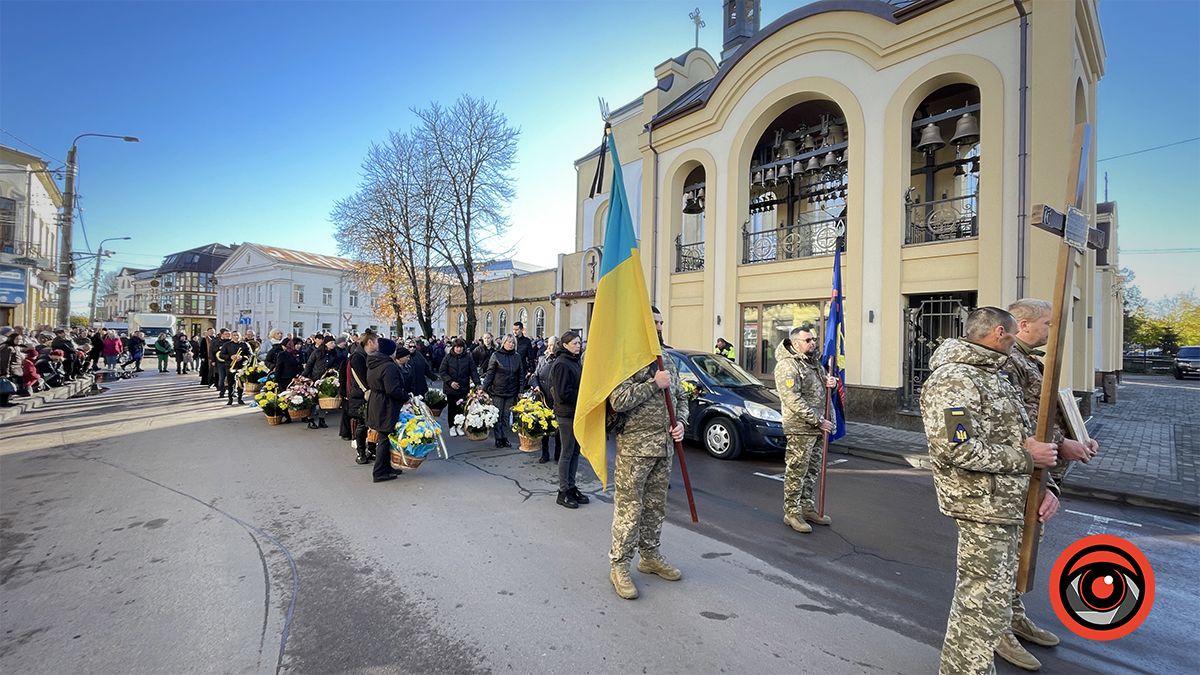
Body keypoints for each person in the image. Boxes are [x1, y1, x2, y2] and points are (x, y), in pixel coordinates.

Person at [920, 306, 1059, 675]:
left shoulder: (994, 375)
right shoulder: (955, 380)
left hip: (1006, 503)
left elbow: (1022, 435)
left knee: (994, 602)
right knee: (979, 602)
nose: (1016, 343)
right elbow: (960, 447)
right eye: (1014, 336)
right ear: (999, 333)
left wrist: (1045, 484)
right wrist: (1027, 459)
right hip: (981, 505)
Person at [607, 307, 689, 600]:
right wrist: (653, 383)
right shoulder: (628, 359)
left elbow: (681, 397)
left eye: (661, 322)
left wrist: (681, 423)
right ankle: (619, 565)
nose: (659, 325)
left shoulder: (667, 358)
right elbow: (618, 399)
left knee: (655, 507)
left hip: (664, 447)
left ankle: (650, 556)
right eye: (653, 322)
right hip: (635, 449)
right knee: (630, 509)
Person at [774, 325, 838, 534]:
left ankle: (806, 506)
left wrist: (832, 383)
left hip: (818, 426)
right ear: (795, 344)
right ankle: (791, 511)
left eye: (813, 339)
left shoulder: (814, 363)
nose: (813, 343)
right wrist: (818, 420)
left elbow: (820, 389)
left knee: (812, 470)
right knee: (797, 470)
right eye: (808, 340)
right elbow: (792, 398)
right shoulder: (788, 366)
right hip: (801, 427)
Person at [366, 339, 411, 483]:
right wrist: (405, 397)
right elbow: (392, 389)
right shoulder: (388, 366)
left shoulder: (374, 363)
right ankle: (379, 472)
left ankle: (387, 467)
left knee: (385, 437)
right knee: (384, 439)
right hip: (385, 405)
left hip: (377, 402)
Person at [549, 332, 584, 508]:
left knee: (575, 451)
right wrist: (584, 397)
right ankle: (563, 491)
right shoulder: (562, 363)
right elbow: (563, 393)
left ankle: (571, 487)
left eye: (579, 343)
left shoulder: (574, 361)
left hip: (576, 412)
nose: (578, 346)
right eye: (574, 343)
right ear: (565, 345)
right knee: (567, 452)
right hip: (566, 414)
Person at [483, 334, 525, 448]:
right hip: (497, 391)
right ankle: (498, 438)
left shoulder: (517, 357)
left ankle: (505, 437)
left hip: (511, 392)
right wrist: (483, 389)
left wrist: (521, 390)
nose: (511, 344)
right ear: (504, 342)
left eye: (513, 343)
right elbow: (490, 374)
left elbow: (521, 375)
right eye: (509, 342)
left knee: (506, 416)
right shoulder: (496, 355)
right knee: (498, 416)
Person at [346, 330, 377, 464]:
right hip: (361, 395)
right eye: (376, 342)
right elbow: (361, 377)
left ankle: (371, 450)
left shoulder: (367, 354)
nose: (377, 345)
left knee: (371, 424)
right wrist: (368, 390)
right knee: (362, 424)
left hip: (369, 394)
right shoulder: (358, 356)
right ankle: (361, 452)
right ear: (369, 342)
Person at [438, 338, 479, 437]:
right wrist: (450, 382)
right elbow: (442, 371)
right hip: (451, 388)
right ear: (453, 347)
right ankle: (452, 426)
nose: (459, 349)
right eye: (457, 347)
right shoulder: (448, 358)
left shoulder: (468, 357)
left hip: (463, 387)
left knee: (461, 408)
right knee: (452, 408)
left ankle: (459, 426)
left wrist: (477, 383)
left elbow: (473, 371)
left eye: (460, 347)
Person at [530, 336, 562, 462]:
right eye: (549, 345)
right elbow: (535, 375)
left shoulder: (560, 361)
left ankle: (558, 453)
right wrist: (536, 386)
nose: (551, 348)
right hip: (542, 397)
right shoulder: (542, 359)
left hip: (556, 399)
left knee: (557, 428)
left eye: (553, 345)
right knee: (544, 426)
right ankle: (545, 453)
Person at [219, 331, 253, 405]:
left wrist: (242, 357)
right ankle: (230, 399)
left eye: (237, 335)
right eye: (234, 335)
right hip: (230, 365)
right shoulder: (227, 345)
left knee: (241, 383)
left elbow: (250, 354)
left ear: (240, 336)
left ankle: (240, 398)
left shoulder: (245, 344)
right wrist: (230, 357)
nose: (236, 337)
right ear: (231, 336)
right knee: (231, 383)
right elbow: (221, 355)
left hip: (241, 366)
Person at [211, 329, 231, 397]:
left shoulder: (231, 342)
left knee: (231, 377)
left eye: (229, 334)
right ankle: (222, 392)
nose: (228, 335)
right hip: (220, 362)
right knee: (222, 377)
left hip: (229, 362)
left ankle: (232, 392)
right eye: (226, 334)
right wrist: (213, 360)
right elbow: (213, 351)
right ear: (222, 335)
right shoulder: (217, 342)